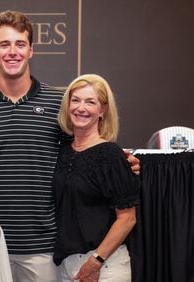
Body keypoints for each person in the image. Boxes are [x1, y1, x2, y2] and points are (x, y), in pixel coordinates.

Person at [0, 11, 140, 282]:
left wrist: (123, 160)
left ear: (31, 50)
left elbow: (85, 150)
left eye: (20, 44)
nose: (13, 52)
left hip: (44, 248)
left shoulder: (59, 104)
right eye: (5, 44)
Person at [52, 74, 140, 281]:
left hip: (105, 266)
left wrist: (96, 261)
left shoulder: (110, 155)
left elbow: (127, 218)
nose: (80, 108)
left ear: (102, 110)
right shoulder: (63, 151)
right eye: (75, 100)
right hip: (65, 265)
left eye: (90, 102)